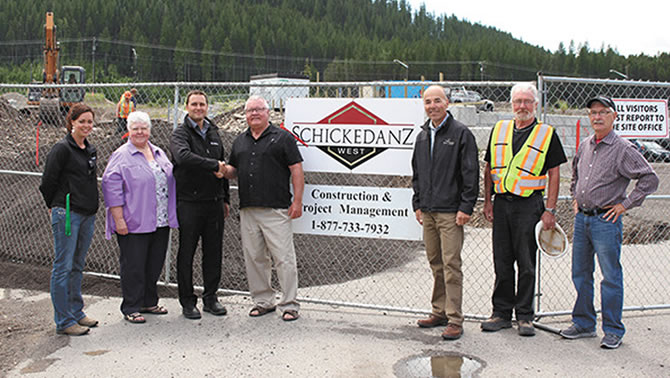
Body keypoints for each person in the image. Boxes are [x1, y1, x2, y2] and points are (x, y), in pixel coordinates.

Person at [560, 96, 658, 349]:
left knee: (610, 277)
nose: (597, 117)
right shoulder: (585, 145)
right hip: (582, 219)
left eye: (603, 112)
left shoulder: (623, 148)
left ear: (614, 116)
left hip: (606, 220)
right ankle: (583, 323)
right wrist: (574, 198)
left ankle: (613, 330)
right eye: (593, 112)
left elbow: (649, 179)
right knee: (581, 273)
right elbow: (576, 174)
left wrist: (625, 205)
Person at [482, 82, 567, 336]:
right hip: (502, 204)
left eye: (527, 101)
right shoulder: (499, 129)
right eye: (518, 101)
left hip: (529, 206)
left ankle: (525, 316)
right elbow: (488, 168)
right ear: (511, 104)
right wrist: (488, 201)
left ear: (536, 105)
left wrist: (549, 209)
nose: (522, 106)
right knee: (502, 260)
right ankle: (501, 313)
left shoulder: (546, 133)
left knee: (527, 262)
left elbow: (554, 173)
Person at [222, 95, 304, 322]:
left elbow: (296, 169)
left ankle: (289, 304)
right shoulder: (240, 141)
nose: (254, 114)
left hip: (276, 210)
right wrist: (222, 170)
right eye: (250, 111)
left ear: (268, 112)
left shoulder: (283, 138)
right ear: (245, 115)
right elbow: (234, 170)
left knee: (283, 259)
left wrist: (297, 201)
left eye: (259, 109)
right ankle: (263, 301)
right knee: (255, 258)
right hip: (248, 210)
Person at [411, 85, 479, 340]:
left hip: (451, 212)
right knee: (435, 263)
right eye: (428, 102)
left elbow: (470, 173)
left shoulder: (461, 133)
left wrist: (466, 207)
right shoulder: (422, 135)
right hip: (428, 211)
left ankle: (455, 320)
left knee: (451, 265)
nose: (432, 106)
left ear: (447, 103)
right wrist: (418, 204)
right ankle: (438, 311)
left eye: (437, 101)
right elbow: (417, 173)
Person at [102, 111, 179, 324]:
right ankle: (131, 306)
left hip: (160, 220)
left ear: (149, 130)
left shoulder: (158, 152)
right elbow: (111, 188)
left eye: (143, 128)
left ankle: (149, 301)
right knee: (133, 265)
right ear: (128, 131)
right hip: (134, 221)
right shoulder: (121, 155)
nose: (139, 132)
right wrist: (119, 219)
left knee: (154, 263)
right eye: (135, 128)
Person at [39, 104, 99, 336]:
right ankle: (64, 321)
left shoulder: (89, 149)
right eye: (82, 121)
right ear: (71, 122)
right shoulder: (62, 149)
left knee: (77, 264)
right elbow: (48, 182)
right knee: (63, 267)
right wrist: (55, 207)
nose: (86, 126)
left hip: (87, 214)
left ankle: (76, 311)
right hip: (67, 214)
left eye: (89, 122)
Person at [170, 90, 230, 319]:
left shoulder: (214, 132)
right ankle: (187, 301)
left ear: (207, 107)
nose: (198, 108)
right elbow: (183, 157)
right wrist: (213, 165)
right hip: (189, 203)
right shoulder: (180, 134)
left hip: (213, 203)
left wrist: (225, 198)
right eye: (194, 104)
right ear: (187, 107)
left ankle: (211, 298)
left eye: (202, 104)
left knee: (213, 253)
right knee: (187, 252)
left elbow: (223, 167)